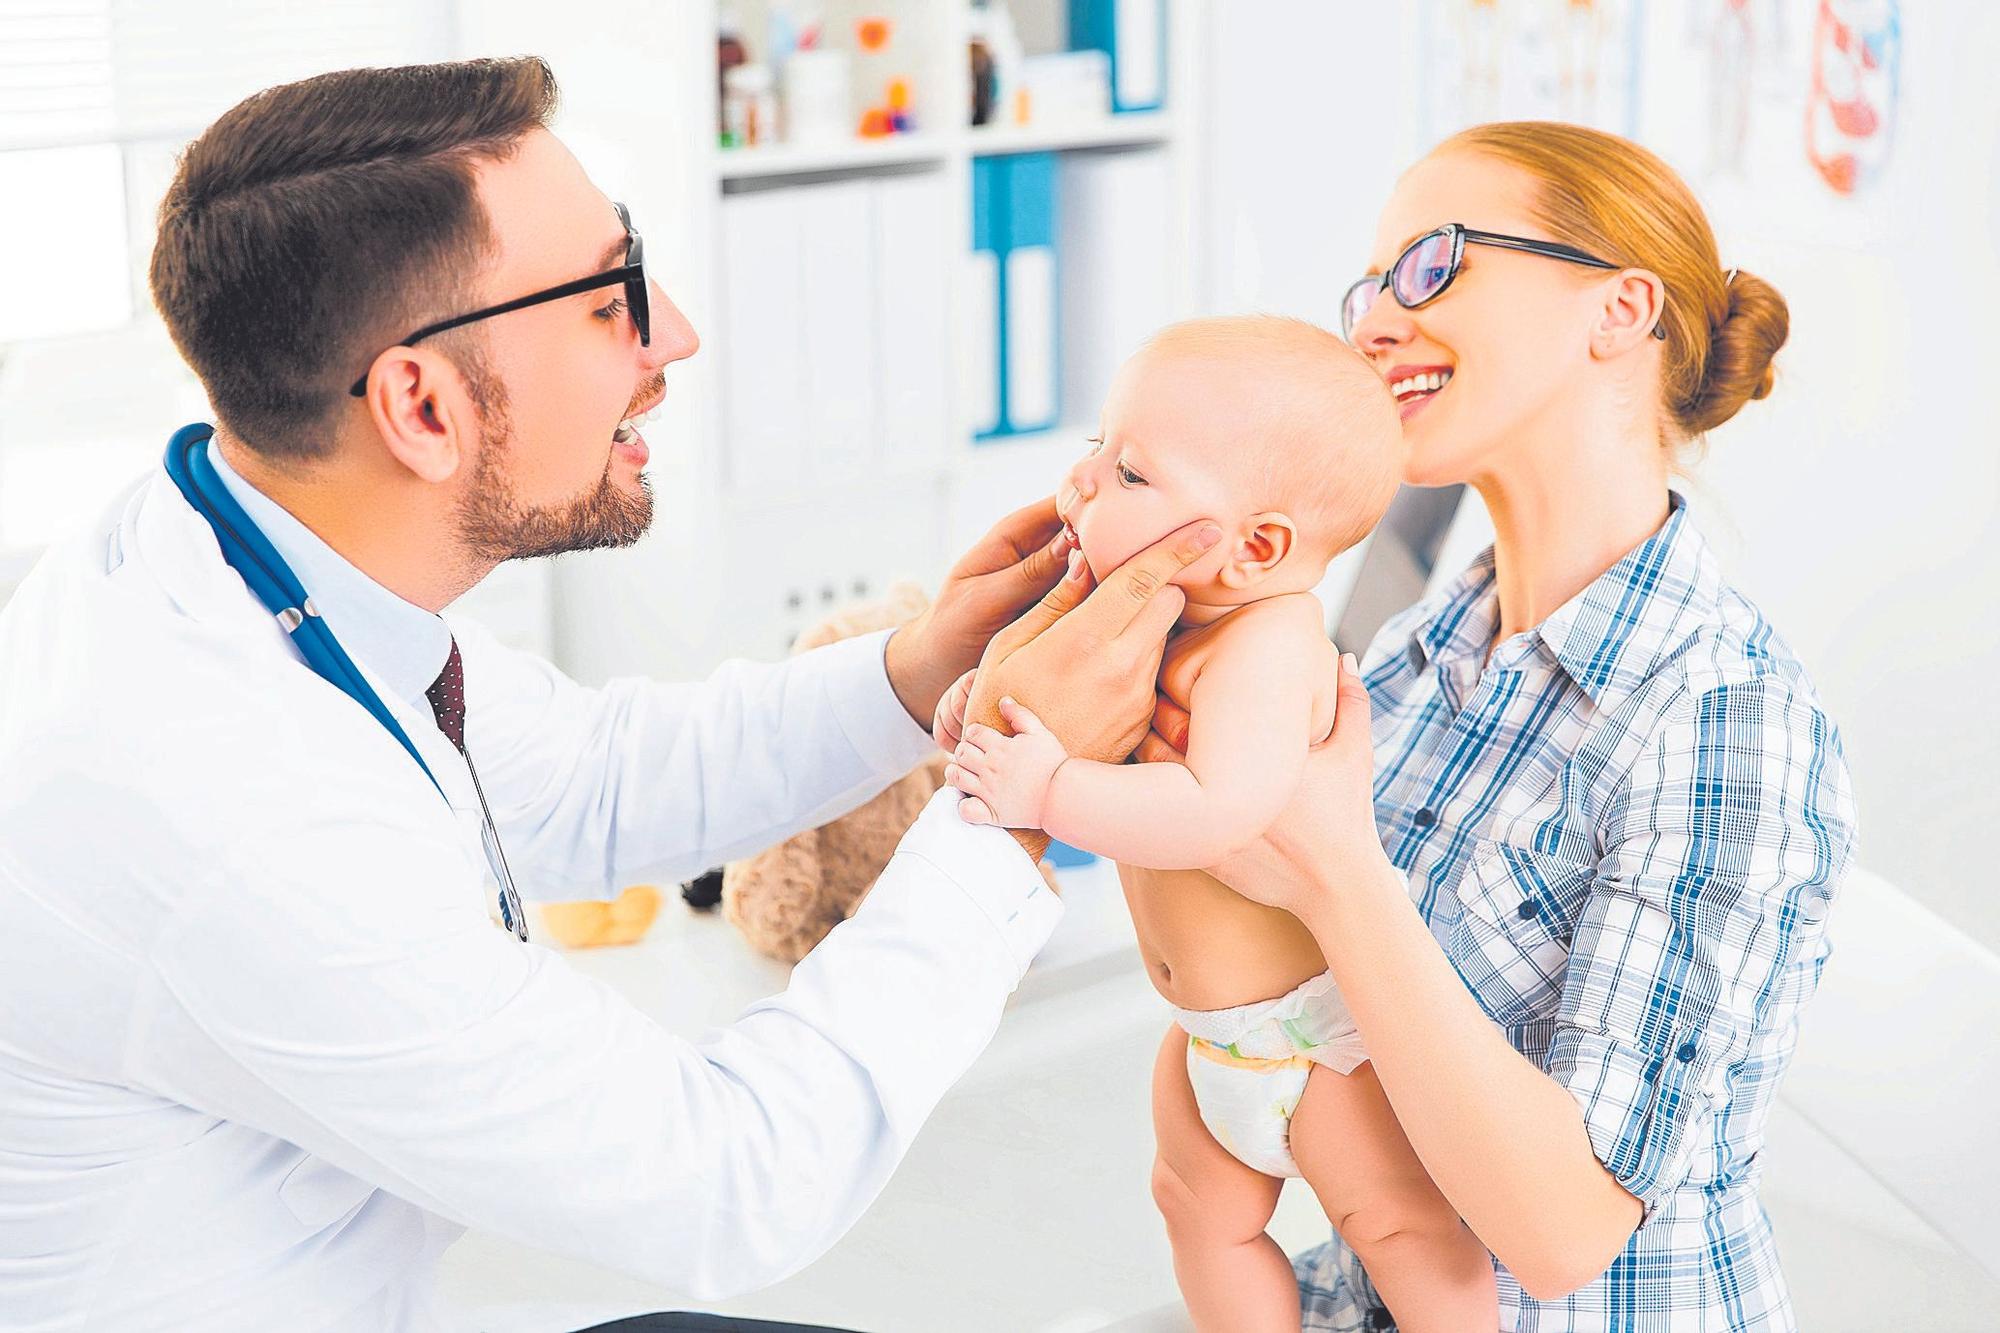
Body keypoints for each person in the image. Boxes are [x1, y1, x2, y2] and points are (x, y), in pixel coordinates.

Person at [0, 58, 1222, 1332]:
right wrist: (1013, 794)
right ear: (419, 405)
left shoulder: (237, 547)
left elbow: (592, 774)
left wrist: (921, 672)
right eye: (607, 299)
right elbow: (731, 1182)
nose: (673, 334)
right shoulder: (227, 801)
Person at [1134, 122, 1858, 1330]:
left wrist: (1335, 871)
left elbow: (1560, 1232)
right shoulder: (1424, 651)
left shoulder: (1724, 719)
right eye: (1369, 286)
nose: (1369, 324)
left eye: (1433, 264)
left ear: (1619, 310)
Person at [936, 315, 1494, 1331]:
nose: (1083, 484)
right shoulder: (1152, 617)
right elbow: (1068, 717)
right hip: (1207, 1039)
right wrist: (991, 706)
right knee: (1198, 1214)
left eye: (1132, 474)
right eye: (1091, 451)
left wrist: (1046, 789)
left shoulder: (1268, 646)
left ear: (1257, 547)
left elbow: (1212, 812)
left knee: (1400, 1230)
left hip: (1319, 1045)